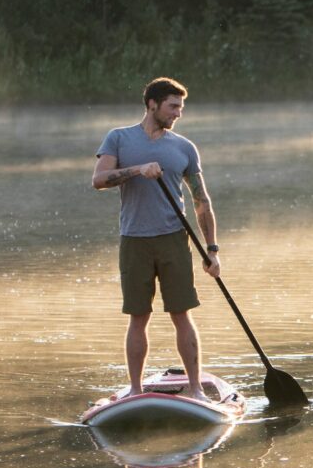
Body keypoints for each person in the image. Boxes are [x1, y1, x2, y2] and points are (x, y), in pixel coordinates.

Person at [92, 77, 221, 401]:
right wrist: (137, 170)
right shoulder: (119, 138)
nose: (178, 113)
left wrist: (212, 250)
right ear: (152, 104)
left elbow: (201, 201)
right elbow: (99, 180)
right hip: (134, 240)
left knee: (182, 314)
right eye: (172, 106)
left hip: (173, 239)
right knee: (139, 316)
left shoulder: (183, 148)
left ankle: (195, 390)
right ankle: (135, 391)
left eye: (181, 107)